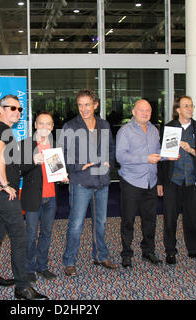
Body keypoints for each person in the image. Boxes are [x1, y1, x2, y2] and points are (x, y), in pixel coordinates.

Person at [0, 94, 47, 300]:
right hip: (3, 193)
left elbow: (9, 163)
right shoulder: (2, 129)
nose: (17, 112)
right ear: (1, 109)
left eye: (19, 109)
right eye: (12, 108)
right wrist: (5, 184)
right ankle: (22, 287)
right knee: (20, 237)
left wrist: (33, 160)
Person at [59, 89, 117, 276]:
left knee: (100, 223)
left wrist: (109, 161)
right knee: (76, 225)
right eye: (80, 105)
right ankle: (69, 261)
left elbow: (111, 148)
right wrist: (78, 165)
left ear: (95, 105)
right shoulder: (70, 126)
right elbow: (62, 155)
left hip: (102, 181)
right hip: (81, 182)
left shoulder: (104, 124)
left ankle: (100, 256)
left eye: (87, 104)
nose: (83, 109)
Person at [158, 96, 196, 265]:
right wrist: (160, 182)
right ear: (178, 110)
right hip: (172, 181)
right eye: (186, 106)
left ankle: (195, 250)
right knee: (170, 218)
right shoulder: (169, 128)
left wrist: (192, 150)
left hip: (192, 181)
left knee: (192, 217)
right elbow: (162, 157)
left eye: (191, 106)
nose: (190, 109)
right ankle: (170, 251)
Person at [20, 111, 67, 282]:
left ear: (52, 127)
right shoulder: (26, 145)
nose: (44, 127)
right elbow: (18, 170)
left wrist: (63, 177)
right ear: (35, 125)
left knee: (46, 233)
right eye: (41, 123)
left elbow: (58, 171)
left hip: (51, 198)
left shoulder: (56, 147)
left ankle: (42, 266)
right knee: (31, 235)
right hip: (34, 197)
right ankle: (28, 268)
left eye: (48, 124)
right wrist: (32, 160)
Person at [116, 99, 163, 268]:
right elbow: (120, 157)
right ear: (134, 112)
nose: (145, 113)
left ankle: (148, 251)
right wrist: (145, 159)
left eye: (148, 110)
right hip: (131, 182)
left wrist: (168, 155)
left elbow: (157, 154)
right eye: (141, 110)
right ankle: (126, 253)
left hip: (150, 182)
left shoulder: (154, 130)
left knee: (150, 220)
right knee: (128, 220)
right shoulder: (125, 131)